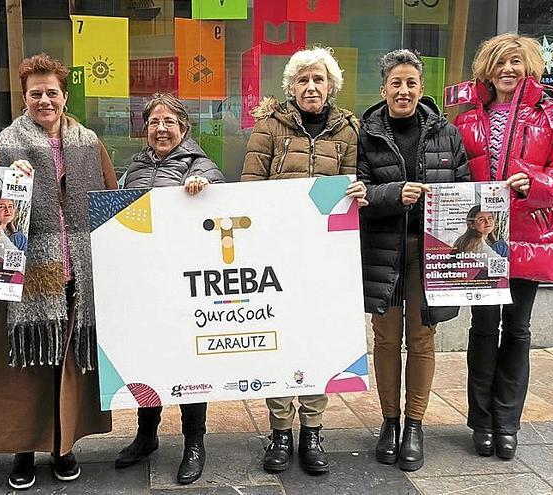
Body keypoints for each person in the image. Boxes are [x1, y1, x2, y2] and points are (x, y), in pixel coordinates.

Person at [448, 33, 553, 460]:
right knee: (483, 329)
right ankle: (481, 422)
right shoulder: (467, 116)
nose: (507, 70)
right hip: (483, 239)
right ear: (486, 70)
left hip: (530, 237)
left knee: (519, 329)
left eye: (515, 62)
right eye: (499, 63)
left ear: (529, 65)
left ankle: (507, 422)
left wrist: (537, 183)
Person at [0, 53, 117, 490]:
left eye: (52, 93)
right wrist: (8, 184)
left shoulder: (88, 141)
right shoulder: (5, 143)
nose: (45, 100)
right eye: (35, 93)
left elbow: (110, 199)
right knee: (25, 366)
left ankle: (64, 445)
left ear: (64, 94)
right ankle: (23, 449)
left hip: (79, 272)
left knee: (68, 366)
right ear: (24, 97)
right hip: (26, 273)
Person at [241, 46, 367, 475]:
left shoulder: (349, 129)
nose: (310, 87)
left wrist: (359, 193)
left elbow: (355, 183)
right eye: (302, 80)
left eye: (318, 79)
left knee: (317, 338)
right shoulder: (269, 127)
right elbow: (250, 187)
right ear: (290, 87)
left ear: (331, 86)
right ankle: (280, 430)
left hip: (325, 256)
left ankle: (312, 428)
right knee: (276, 337)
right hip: (276, 253)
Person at [356, 49, 469, 472]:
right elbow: (357, 195)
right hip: (383, 251)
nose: (403, 91)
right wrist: (393, 194)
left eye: (411, 83)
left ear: (422, 89)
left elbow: (464, 189)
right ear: (383, 89)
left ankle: (414, 425)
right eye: (395, 83)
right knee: (385, 340)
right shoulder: (365, 133)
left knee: (422, 340)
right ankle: (389, 421)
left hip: (430, 253)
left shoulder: (447, 134)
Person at [114, 93, 225, 485]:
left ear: (184, 127)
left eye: (169, 122)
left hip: (188, 282)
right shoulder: (135, 165)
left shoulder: (201, 165)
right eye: (154, 122)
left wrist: (204, 188)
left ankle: (194, 441)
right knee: (148, 357)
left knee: (190, 361)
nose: (161, 129)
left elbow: (220, 204)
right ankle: (147, 435)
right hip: (145, 281)